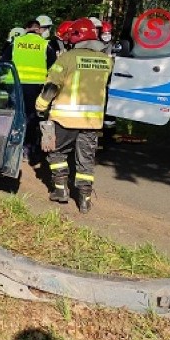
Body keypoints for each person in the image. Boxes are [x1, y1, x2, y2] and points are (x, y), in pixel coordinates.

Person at [35, 18, 113, 213]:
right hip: (92, 121)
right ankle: (85, 200)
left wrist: (41, 105)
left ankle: (61, 191)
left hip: (64, 118)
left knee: (56, 152)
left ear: (76, 36)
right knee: (86, 159)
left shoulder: (67, 58)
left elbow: (52, 85)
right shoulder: (106, 61)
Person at [1, 19, 56, 163]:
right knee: (32, 118)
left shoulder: (16, 42)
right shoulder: (45, 45)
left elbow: (4, 61)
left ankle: (12, 149)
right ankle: (29, 151)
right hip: (36, 87)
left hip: (15, 85)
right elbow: (54, 67)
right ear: (38, 29)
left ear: (26, 29)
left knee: (16, 116)